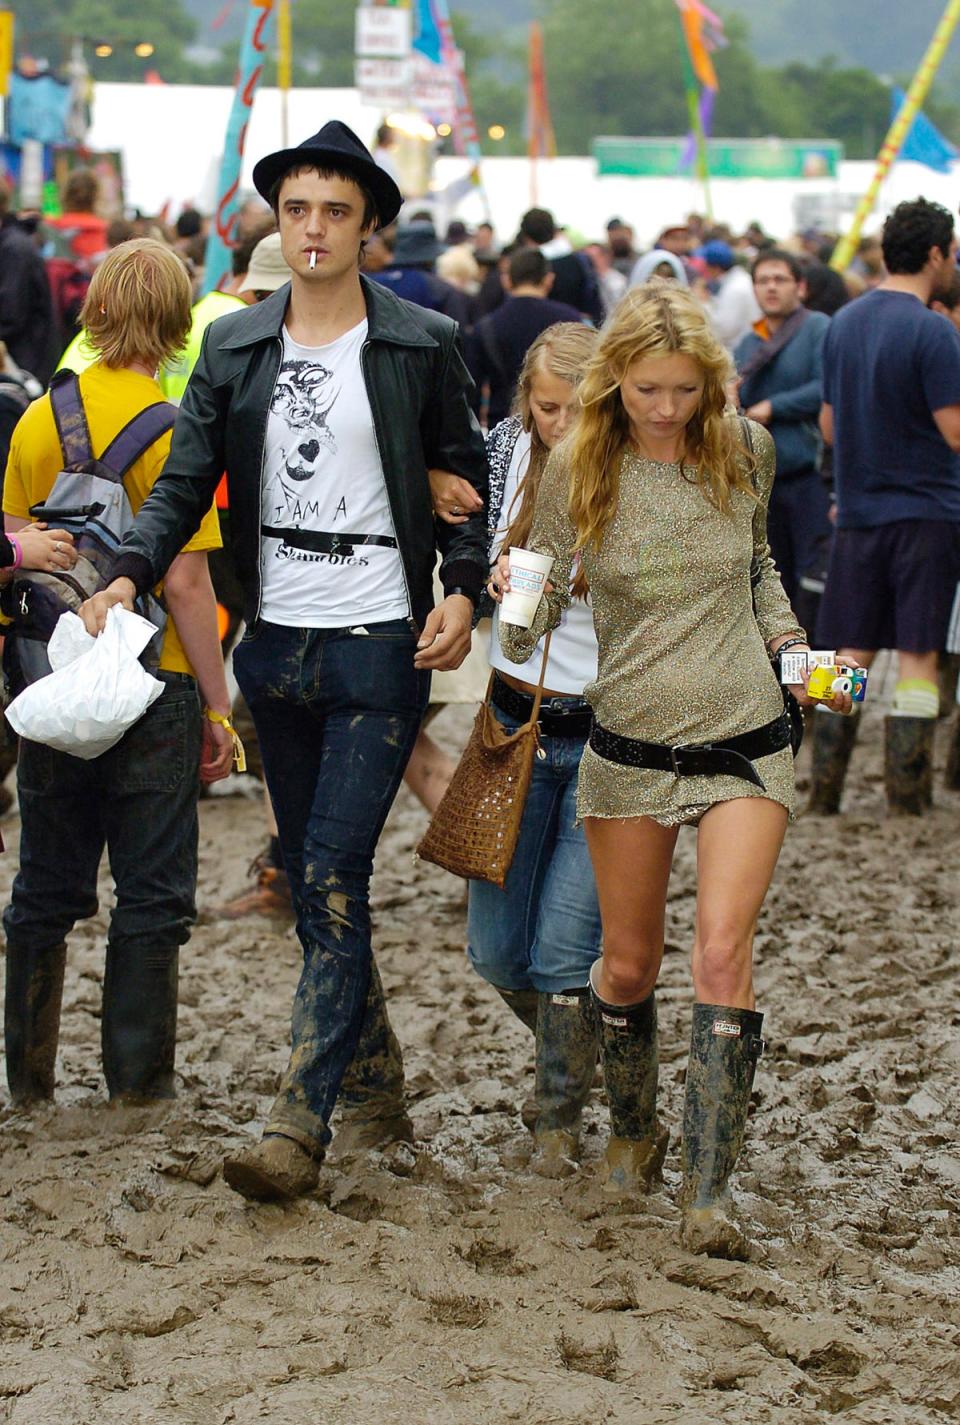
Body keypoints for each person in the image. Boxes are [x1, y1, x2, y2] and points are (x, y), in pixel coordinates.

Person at [80, 121, 489, 1201]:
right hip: (277, 645)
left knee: (331, 877)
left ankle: (295, 1124)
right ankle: (378, 1086)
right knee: (317, 892)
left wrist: (463, 587)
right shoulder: (235, 345)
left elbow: (465, 484)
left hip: (378, 641)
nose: (313, 229)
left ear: (369, 229)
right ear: (279, 219)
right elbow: (184, 483)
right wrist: (127, 570)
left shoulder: (419, 340)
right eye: (297, 209)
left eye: (335, 212)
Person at [498, 282, 850, 1258]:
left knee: (721, 954)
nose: (666, 409)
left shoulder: (744, 448)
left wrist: (795, 656)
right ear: (618, 384)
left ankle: (709, 1194)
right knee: (626, 963)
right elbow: (535, 606)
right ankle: (636, 1129)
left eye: (684, 391)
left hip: (747, 736)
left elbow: (759, 573)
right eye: (648, 390)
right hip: (631, 746)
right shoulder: (581, 464)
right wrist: (517, 594)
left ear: (712, 382)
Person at [3, 237, 233, 1108]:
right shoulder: (176, 432)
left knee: (45, 889)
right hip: (151, 684)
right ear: (177, 326)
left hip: (50, 678)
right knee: (151, 894)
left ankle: (27, 1082)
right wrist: (217, 705)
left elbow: (16, 553)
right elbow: (185, 580)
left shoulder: (35, 418)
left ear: (93, 312)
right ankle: (137, 1087)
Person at [470, 322, 602, 1178]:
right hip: (508, 721)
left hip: (605, 731)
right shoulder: (506, 448)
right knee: (494, 951)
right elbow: (468, 538)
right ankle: (618, 1050)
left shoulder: (642, 468)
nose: (558, 423)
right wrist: (483, 571)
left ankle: (556, 1114)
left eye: (576, 410)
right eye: (546, 407)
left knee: (562, 954)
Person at [813, 198, 960, 816]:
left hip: (857, 512)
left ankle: (822, 789)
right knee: (920, 653)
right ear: (934, 253)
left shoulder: (843, 321)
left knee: (849, 651)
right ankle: (907, 795)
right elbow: (955, 433)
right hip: (927, 512)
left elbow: (827, 428)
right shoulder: (935, 330)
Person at [735, 248, 831, 633]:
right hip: (761, 484)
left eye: (780, 279)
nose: (770, 288)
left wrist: (774, 407)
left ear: (800, 286)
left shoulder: (818, 328)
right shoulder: (747, 342)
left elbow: (826, 388)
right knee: (773, 581)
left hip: (806, 476)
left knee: (812, 582)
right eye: (762, 280)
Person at [467, 248, 582, 428]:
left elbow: (471, 393)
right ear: (548, 279)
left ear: (507, 281)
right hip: (563, 426)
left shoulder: (486, 326)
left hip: (502, 426)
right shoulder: (571, 320)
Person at [517, 208, 603, 325]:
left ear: (526, 236)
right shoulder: (580, 260)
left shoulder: (526, 266)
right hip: (579, 330)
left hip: (544, 333)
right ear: (553, 230)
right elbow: (593, 301)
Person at [699, 240, 761, 353]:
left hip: (740, 353)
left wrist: (704, 304)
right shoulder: (738, 280)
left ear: (715, 267)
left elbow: (723, 330)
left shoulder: (735, 289)